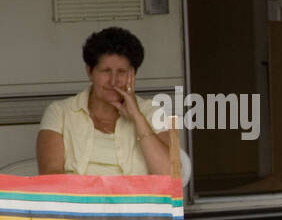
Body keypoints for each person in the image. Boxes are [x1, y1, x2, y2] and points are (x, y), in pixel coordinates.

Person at [36, 27, 190, 182]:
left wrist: (137, 116)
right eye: (105, 71)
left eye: (122, 72)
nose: (113, 81)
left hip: (136, 205)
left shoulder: (154, 111)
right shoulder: (59, 112)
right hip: (79, 205)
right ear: (90, 71)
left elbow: (172, 176)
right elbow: (51, 179)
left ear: (133, 74)